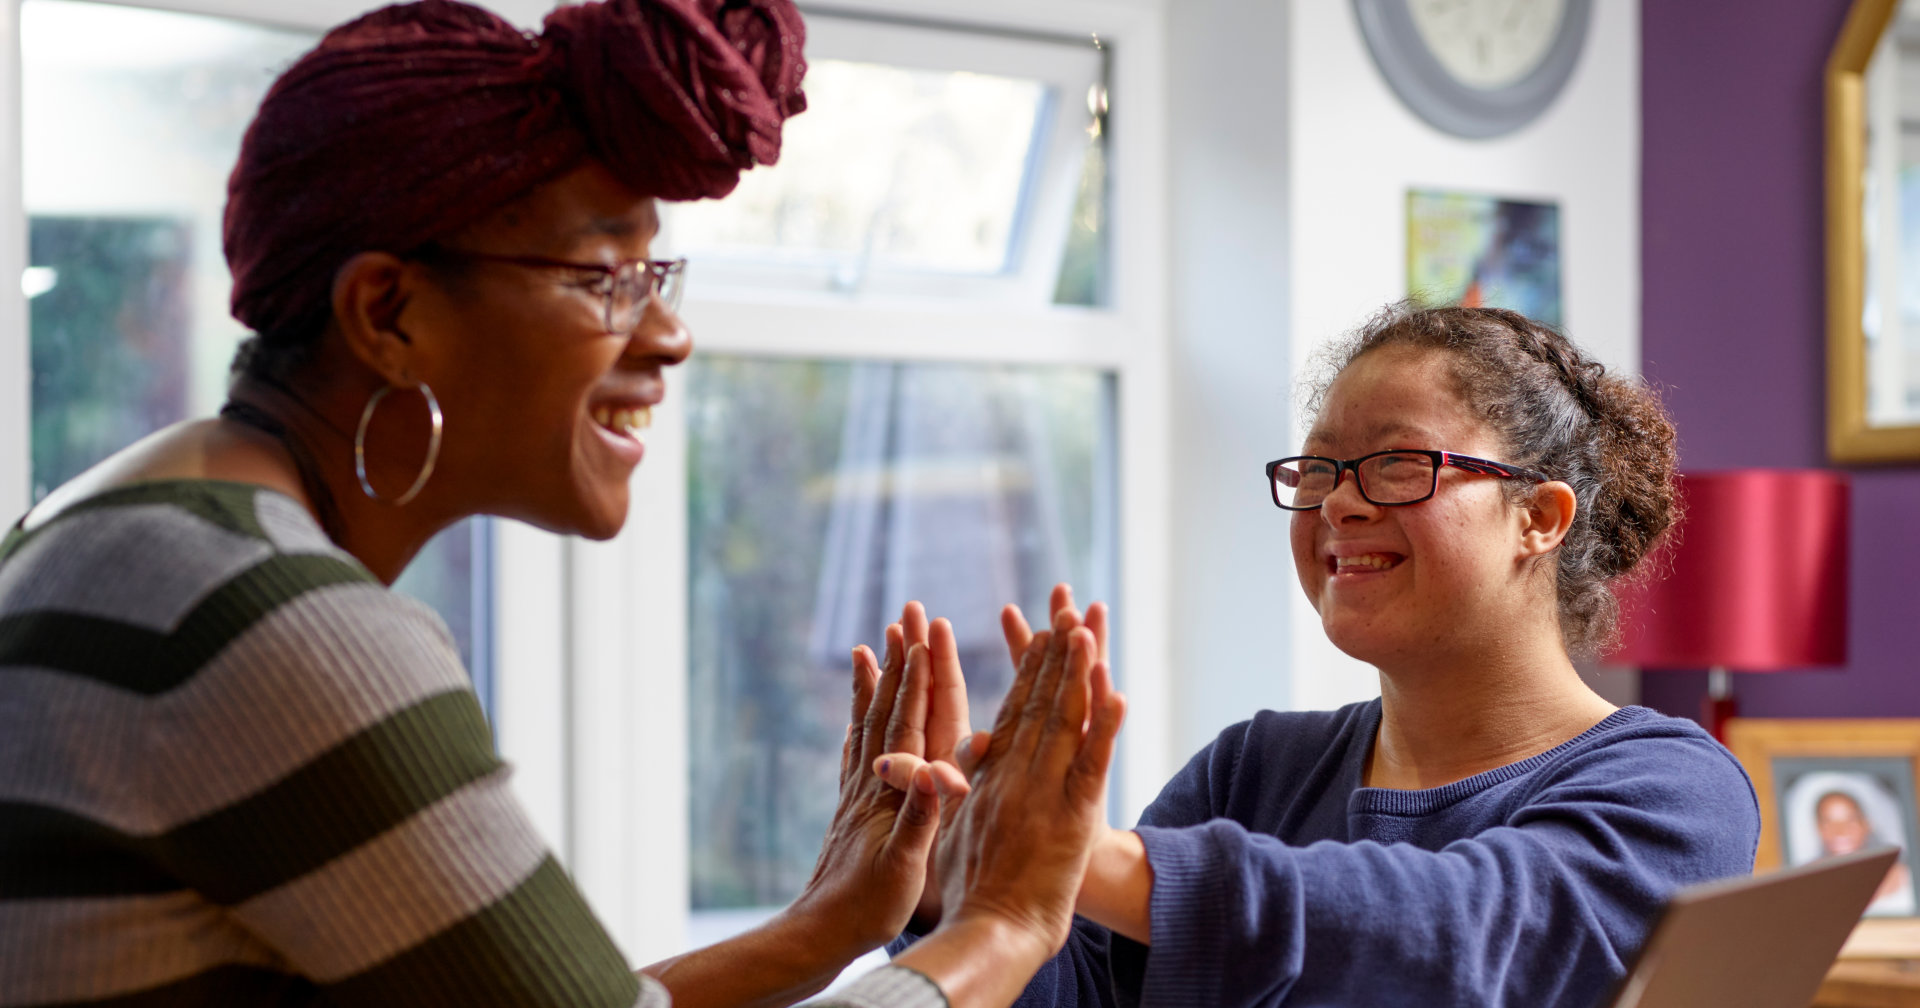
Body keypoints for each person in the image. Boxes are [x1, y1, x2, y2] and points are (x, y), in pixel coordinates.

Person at [0, 2, 1122, 1006]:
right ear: (388, 311)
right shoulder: (279, 629)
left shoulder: (113, 532)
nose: (669, 335)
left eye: (659, 276)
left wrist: (818, 933)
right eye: (605, 278)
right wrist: (1004, 924)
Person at [881, 304, 1761, 1006]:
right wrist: (948, 880)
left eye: (1395, 465)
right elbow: (1083, 992)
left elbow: (1461, 940)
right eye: (1319, 470)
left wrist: (1083, 857)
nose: (1338, 504)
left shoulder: (1675, 792)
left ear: (1538, 517)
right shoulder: (1253, 770)